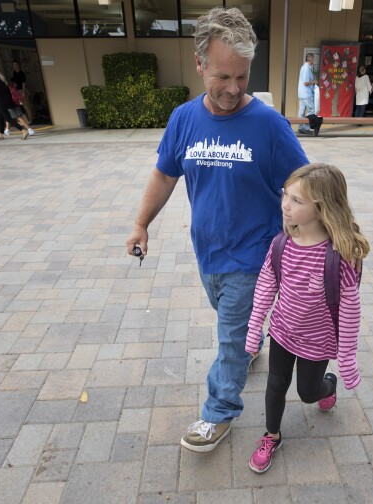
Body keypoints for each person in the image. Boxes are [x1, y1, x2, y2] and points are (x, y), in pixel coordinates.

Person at [125, 7, 309, 453]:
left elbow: (305, 181)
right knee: (233, 322)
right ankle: (251, 343)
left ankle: (218, 412)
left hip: (253, 257)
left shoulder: (268, 125)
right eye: (222, 76)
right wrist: (140, 223)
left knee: (229, 339)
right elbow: (165, 175)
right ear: (200, 63)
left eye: (242, 78)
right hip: (208, 254)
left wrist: (325, 237)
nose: (232, 89)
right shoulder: (184, 119)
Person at [245, 163, 370, 474]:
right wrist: (253, 329)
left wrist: (347, 359)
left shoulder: (337, 257)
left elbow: (351, 311)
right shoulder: (280, 245)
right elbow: (265, 286)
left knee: (307, 393)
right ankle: (271, 435)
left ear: (322, 208)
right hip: (283, 333)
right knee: (275, 384)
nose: (285, 204)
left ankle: (328, 386)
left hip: (318, 340)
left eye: (297, 201)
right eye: (286, 195)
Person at [0, 62, 34, 140]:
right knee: (0, 117)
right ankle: (1, 134)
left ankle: (23, 130)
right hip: (6, 99)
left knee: (7, 118)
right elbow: (7, 88)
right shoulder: (0, 76)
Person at [297, 53, 317, 135]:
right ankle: (306, 127)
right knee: (311, 109)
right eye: (313, 59)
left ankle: (300, 127)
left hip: (302, 93)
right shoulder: (306, 68)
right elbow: (305, 82)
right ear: (311, 59)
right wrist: (314, 81)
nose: (314, 60)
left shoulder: (304, 67)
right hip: (306, 93)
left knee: (301, 111)